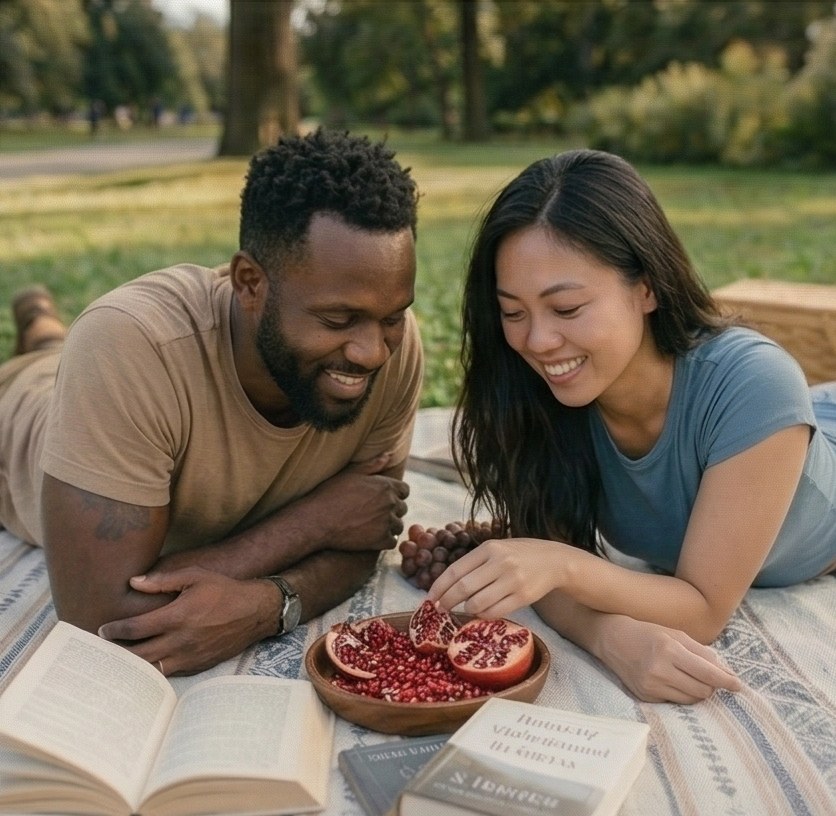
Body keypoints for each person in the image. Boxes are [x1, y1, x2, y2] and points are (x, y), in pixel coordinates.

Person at [414, 148, 836, 704]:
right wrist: (608, 633)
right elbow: (545, 567)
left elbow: (704, 607)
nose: (537, 342)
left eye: (565, 309)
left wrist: (562, 561)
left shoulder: (755, 386)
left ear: (647, 287)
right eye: (513, 313)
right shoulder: (538, 395)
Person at [0, 128, 423, 676]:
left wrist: (270, 603)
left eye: (390, 317)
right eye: (337, 321)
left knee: (53, 353)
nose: (370, 351)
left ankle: (42, 327)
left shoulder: (395, 342)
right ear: (249, 283)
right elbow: (102, 618)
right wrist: (314, 524)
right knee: (43, 368)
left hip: (109, 395)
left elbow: (365, 533)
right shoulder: (129, 345)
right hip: (19, 424)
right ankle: (40, 324)